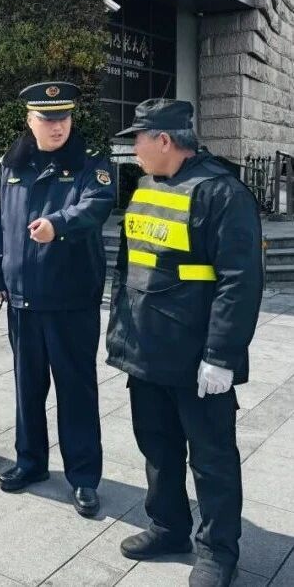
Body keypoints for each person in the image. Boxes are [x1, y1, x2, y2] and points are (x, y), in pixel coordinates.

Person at [106, 99, 263, 587]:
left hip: (196, 356)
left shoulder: (222, 193)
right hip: (147, 347)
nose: (133, 150)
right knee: (158, 448)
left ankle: (218, 551)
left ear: (164, 140)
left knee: (212, 459)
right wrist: (122, 334)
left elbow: (240, 281)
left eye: (138, 140)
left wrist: (221, 356)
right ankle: (168, 527)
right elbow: (130, 267)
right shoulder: (145, 186)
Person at [0, 81, 115, 518]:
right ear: (30, 120)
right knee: (28, 388)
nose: (57, 126)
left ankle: (84, 477)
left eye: (63, 117)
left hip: (71, 299)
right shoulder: (11, 165)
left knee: (76, 391)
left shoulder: (91, 162)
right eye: (47, 118)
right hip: (23, 301)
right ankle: (30, 462)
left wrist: (58, 223)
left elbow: (97, 205)